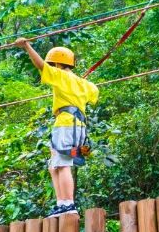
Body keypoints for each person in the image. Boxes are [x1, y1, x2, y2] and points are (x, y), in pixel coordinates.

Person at [15, 38, 99, 216]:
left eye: (53, 64)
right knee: (54, 165)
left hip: (66, 123)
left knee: (63, 163)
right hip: (77, 127)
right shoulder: (84, 84)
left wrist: (26, 46)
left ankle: (69, 204)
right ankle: (62, 203)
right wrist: (77, 83)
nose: (51, 67)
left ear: (58, 64)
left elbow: (40, 66)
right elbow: (94, 92)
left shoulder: (61, 76)